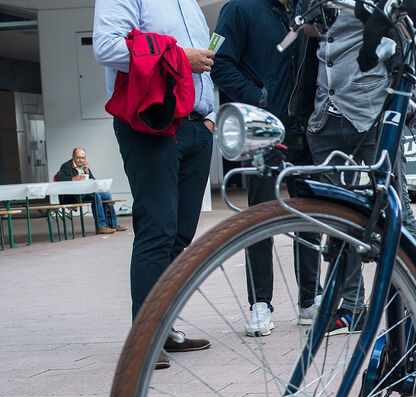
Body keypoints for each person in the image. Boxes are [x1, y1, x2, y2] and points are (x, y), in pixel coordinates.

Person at [94, 0, 215, 368]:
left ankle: (163, 327)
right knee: (157, 230)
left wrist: (208, 118)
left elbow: (204, 64)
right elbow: (107, 47)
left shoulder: (190, 4)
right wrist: (178, 57)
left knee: (180, 235)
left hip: (196, 125)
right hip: (152, 124)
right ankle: (144, 339)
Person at [290, 10, 416, 336]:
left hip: (372, 110)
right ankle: (351, 307)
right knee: (338, 217)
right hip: (323, 117)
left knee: (396, 207)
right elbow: (308, 30)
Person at [212, 0, 321, 337]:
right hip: (264, 130)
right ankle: (260, 303)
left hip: (306, 127)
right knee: (261, 215)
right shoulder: (239, 8)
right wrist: (257, 98)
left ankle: (309, 300)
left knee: (308, 214)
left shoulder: (309, 7)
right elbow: (219, 63)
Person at [54, 147, 125, 235]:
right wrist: (73, 178)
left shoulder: (84, 167)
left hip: (84, 193)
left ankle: (113, 224)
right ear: (73, 157)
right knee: (95, 196)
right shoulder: (67, 166)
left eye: (83, 158)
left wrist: (87, 172)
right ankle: (101, 226)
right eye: (78, 158)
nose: (80, 160)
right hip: (73, 196)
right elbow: (57, 177)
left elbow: (93, 182)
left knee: (106, 195)